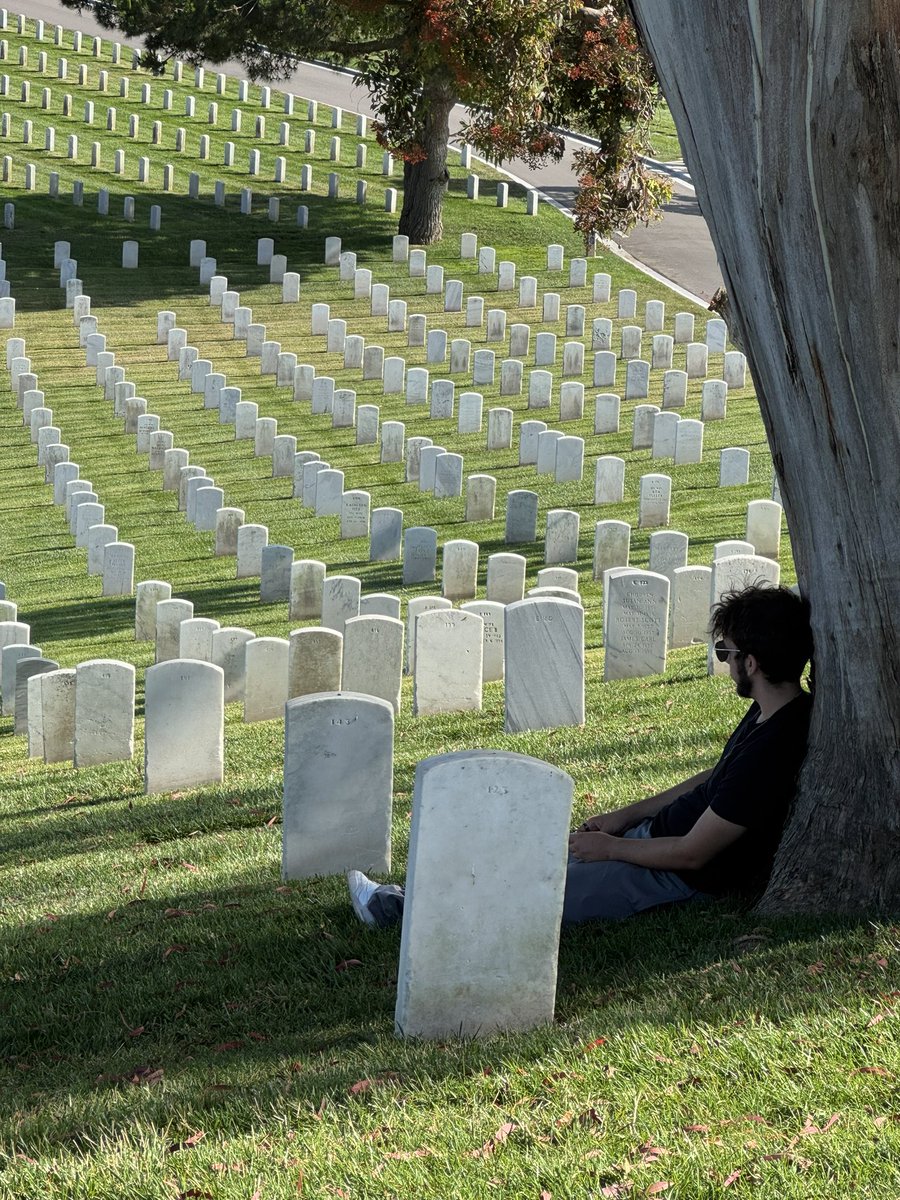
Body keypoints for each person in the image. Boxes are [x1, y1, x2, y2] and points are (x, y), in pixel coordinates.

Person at [347, 583, 814, 929]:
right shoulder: (767, 714)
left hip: (671, 877)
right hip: (649, 841)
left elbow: (693, 855)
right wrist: (624, 818)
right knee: (529, 855)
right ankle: (409, 893)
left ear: (750, 662)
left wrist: (612, 849)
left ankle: (396, 912)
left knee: (532, 893)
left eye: (725, 651)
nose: (724, 661)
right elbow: (713, 780)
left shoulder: (774, 748)